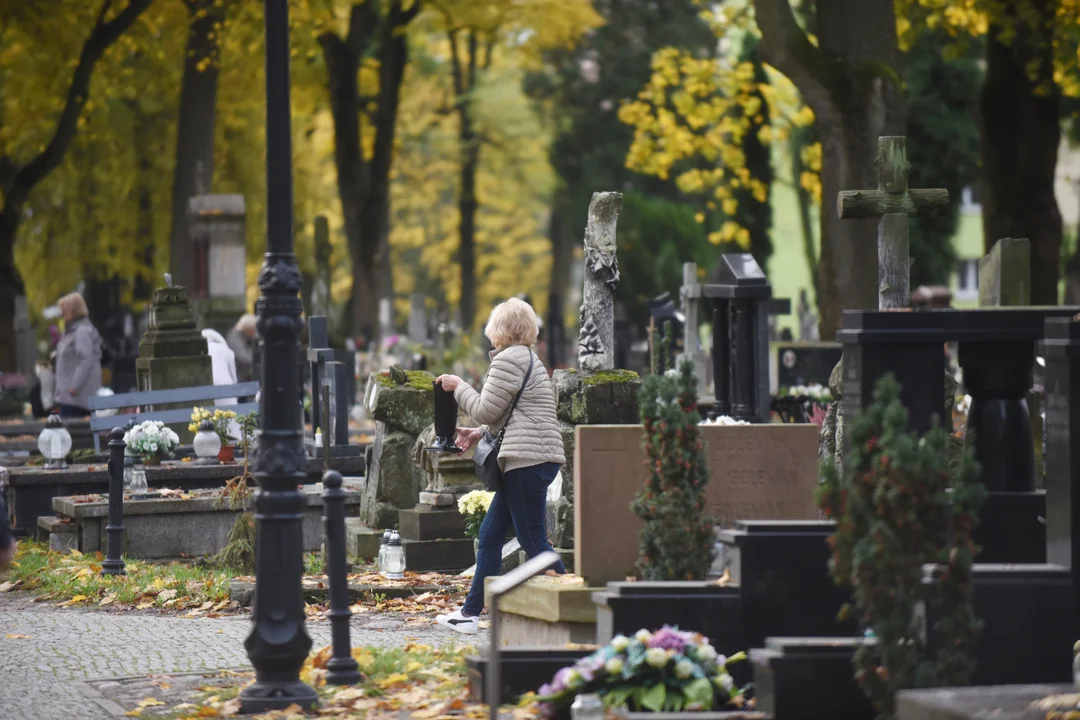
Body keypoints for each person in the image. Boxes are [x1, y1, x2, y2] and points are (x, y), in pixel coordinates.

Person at [433, 297, 566, 635]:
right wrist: (478, 433)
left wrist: (458, 385)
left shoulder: (509, 359)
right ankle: (470, 613)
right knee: (490, 535)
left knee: (533, 540)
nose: (489, 332)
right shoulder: (528, 358)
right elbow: (510, 415)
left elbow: (486, 410)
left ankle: (576, 604)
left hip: (526, 461)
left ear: (503, 330)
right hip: (533, 458)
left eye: (493, 326)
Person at [53, 293, 103, 418]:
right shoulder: (71, 331)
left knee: (71, 433)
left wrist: (74, 386)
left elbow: (86, 359)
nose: (62, 312)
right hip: (70, 397)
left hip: (76, 398)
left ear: (73, 310)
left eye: (64, 308)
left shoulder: (81, 331)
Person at [201, 329, 239, 406]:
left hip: (205, 389)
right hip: (226, 388)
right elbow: (233, 378)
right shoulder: (227, 351)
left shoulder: (199, 351)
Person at [227, 314, 258, 382]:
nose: (255, 333)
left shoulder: (242, 336)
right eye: (254, 330)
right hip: (238, 379)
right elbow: (244, 358)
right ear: (248, 328)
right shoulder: (235, 337)